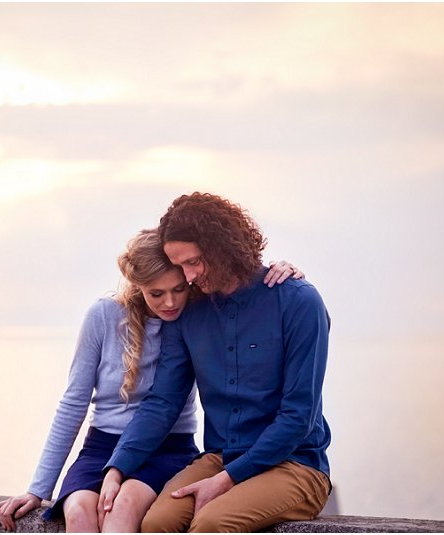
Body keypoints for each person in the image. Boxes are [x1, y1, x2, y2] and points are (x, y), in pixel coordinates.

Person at [0, 228, 303, 532]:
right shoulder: (103, 316)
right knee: (78, 511)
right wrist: (38, 489)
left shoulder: (198, 315)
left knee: (123, 506)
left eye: (178, 289)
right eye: (157, 293)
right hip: (101, 447)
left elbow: (256, 309)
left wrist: (282, 275)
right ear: (138, 285)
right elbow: (73, 402)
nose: (170, 303)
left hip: (169, 447)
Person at [100, 192, 332, 533]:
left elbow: (298, 417)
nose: (189, 277)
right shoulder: (191, 312)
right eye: (180, 266)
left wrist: (228, 479)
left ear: (222, 247)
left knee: (212, 523)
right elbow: (163, 402)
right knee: (157, 523)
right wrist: (117, 469)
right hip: (221, 457)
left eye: (193, 262)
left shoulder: (298, 302)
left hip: (296, 464)